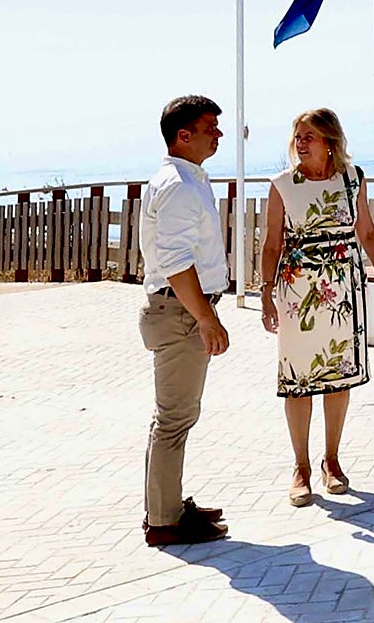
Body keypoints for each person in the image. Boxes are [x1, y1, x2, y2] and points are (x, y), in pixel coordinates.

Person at [260, 108, 374, 507]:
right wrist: (265, 292)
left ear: (330, 142)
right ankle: (300, 466)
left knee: (338, 376)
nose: (301, 143)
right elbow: (271, 243)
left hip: (342, 287)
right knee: (299, 379)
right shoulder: (283, 184)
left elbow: (365, 229)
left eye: (309, 137)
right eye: (297, 136)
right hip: (297, 291)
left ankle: (331, 460)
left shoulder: (353, 179)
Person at [138, 95, 232, 546]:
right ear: (183, 135)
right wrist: (207, 318)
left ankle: (168, 506)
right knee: (173, 419)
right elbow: (175, 263)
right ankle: (163, 522)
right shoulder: (179, 185)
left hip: (178, 310)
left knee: (176, 416)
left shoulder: (185, 179)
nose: (218, 134)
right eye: (210, 126)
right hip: (180, 313)